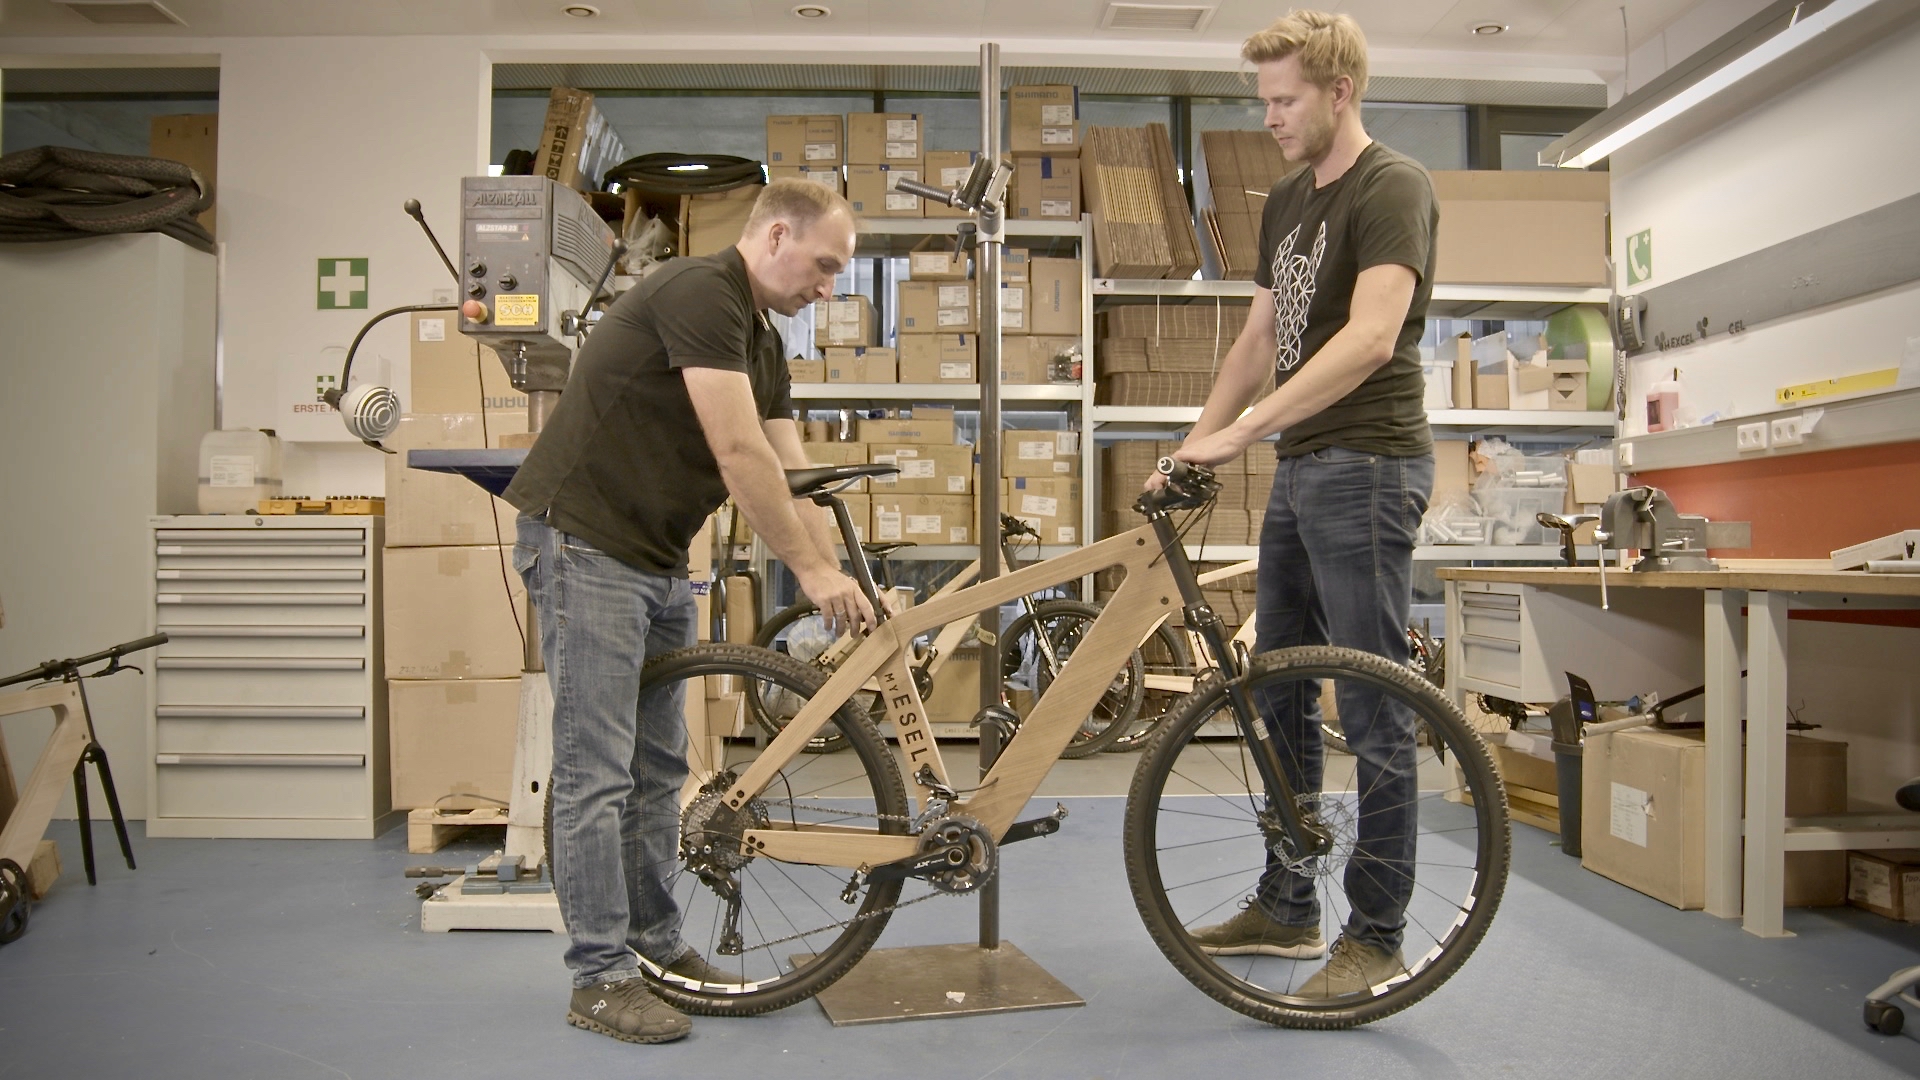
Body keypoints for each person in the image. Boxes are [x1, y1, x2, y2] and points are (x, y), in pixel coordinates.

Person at [500, 178, 878, 1044]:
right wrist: (811, 575)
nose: (829, 287)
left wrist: (855, 572)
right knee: (597, 770)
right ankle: (599, 977)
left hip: (658, 558)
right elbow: (738, 450)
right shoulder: (700, 292)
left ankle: (657, 949)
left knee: (660, 769)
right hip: (587, 542)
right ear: (776, 235)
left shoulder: (763, 342)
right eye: (823, 266)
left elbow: (793, 471)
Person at [1149, 10, 1438, 997]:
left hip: (1369, 465)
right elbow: (1256, 336)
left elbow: (1368, 340)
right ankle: (1287, 902)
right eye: (1262, 99)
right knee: (1275, 687)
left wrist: (1243, 432)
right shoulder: (1285, 201)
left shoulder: (1392, 186)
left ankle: (1377, 932)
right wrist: (1198, 440)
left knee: (1371, 699)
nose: (1268, 116)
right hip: (1306, 465)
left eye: (1284, 100)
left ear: (1338, 92)